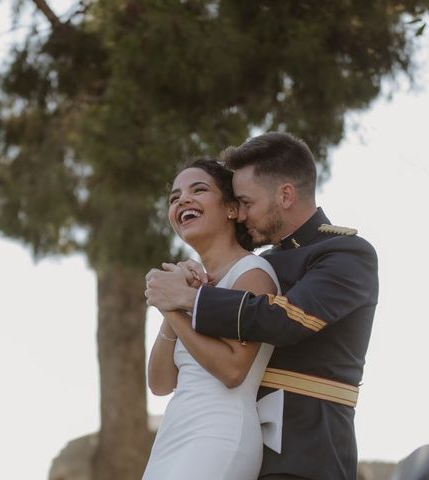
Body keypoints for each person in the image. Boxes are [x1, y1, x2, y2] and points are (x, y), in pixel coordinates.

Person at [145, 132, 379, 480]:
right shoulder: (264, 261)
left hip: (305, 445)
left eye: (247, 202)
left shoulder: (346, 253)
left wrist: (187, 299)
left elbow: (286, 319)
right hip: (239, 438)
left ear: (285, 195)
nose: (240, 214)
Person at [142, 157, 281, 480]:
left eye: (198, 190)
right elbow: (160, 384)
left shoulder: (252, 274)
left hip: (220, 433)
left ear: (231, 209)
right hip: (174, 433)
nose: (183, 200)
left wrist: (173, 305)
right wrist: (173, 306)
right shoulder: (191, 282)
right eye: (174, 198)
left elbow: (233, 371)